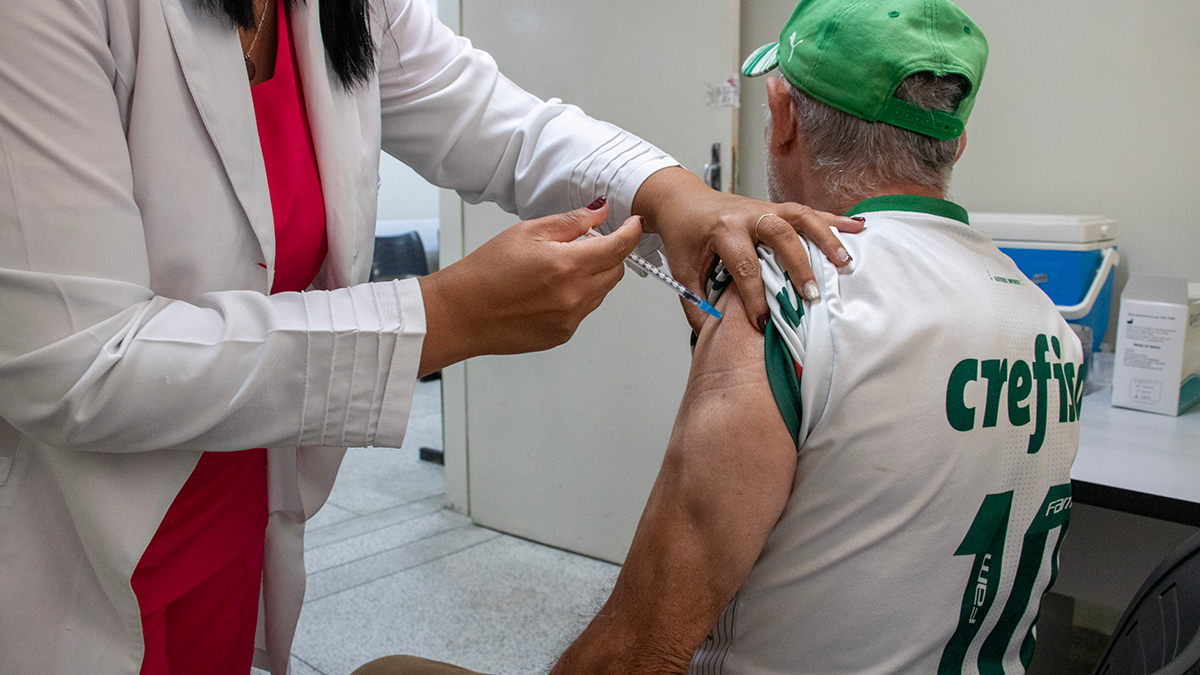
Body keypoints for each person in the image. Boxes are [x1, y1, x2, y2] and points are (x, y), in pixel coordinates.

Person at [0, 0, 864, 673]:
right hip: (65, 526)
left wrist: (669, 191)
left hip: (233, 496)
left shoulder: (343, 11)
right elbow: (77, 359)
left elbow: (498, 122)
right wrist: (441, 317)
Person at [357, 0, 1086, 673]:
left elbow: (637, 651)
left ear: (782, 116)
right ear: (957, 141)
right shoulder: (1049, 324)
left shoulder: (791, 301)